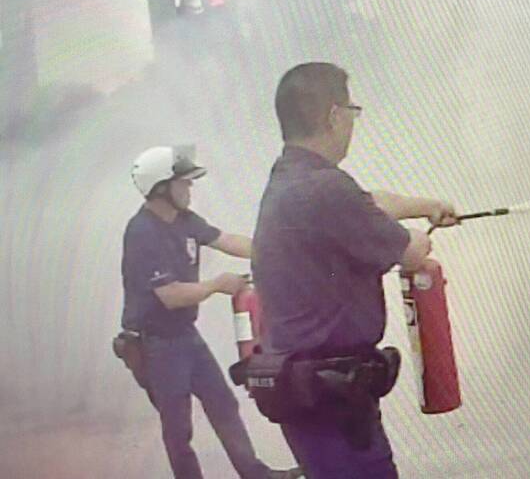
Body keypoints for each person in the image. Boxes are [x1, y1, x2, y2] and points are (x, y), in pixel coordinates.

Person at [251, 63, 459, 478]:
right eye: (352, 110)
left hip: (309, 390)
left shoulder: (294, 178)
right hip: (332, 396)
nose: (353, 121)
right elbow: (410, 252)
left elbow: (370, 203)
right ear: (333, 116)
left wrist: (427, 204)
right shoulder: (325, 188)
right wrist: (419, 235)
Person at [120, 145, 302, 479]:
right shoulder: (142, 233)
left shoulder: (184, 220)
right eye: (183, 184)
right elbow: (170, 295)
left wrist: (275, 249)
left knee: (224, 405)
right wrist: (218, 284)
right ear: (161, 187)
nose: (190, 189)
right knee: (178, 428)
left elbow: (225, 240)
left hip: (185, 336)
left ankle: (256, 475)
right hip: (156, 344)